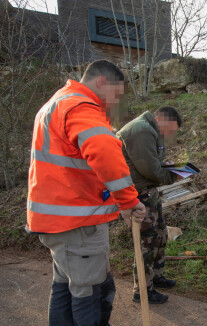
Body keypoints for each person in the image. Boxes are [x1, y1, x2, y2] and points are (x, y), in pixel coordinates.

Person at [26, 59, 147, 325]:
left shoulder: (55, 103)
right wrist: (127, 201)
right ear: (102, 82)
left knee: (65, 286)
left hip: (56, 221)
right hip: (78, 224)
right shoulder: (81, 105)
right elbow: (104, 149)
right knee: (91, 291)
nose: (113, 103)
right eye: (116, 94)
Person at [116, 106, 182, 304]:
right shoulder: (141, 130)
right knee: (146, 243)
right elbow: (151, 168)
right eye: (170, 129)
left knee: (160, 236)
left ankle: (157, 276)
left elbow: (158, 161)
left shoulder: (152, 132)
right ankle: (142, 290)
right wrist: (172, 175)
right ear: (160, 118)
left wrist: (172, 167)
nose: (170, 134)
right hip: (138, 196)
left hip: (150, 194)